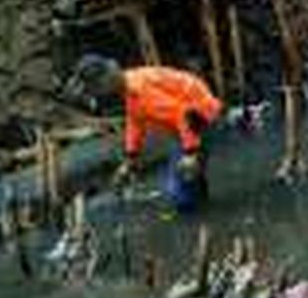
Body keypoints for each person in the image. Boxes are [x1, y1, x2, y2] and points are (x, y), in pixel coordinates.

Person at [67, 55, 223, 212]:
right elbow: (135, 122)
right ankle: (198, 199)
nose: (98, 94)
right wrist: (130, 158)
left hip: (200, 116)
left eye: (96, 88)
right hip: (188, 120)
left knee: (178, 193)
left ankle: (193, 207)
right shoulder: (129, 88)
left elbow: (182, 113)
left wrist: (191, 152)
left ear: (105, 80)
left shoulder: (141, 89)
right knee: (188, 176)